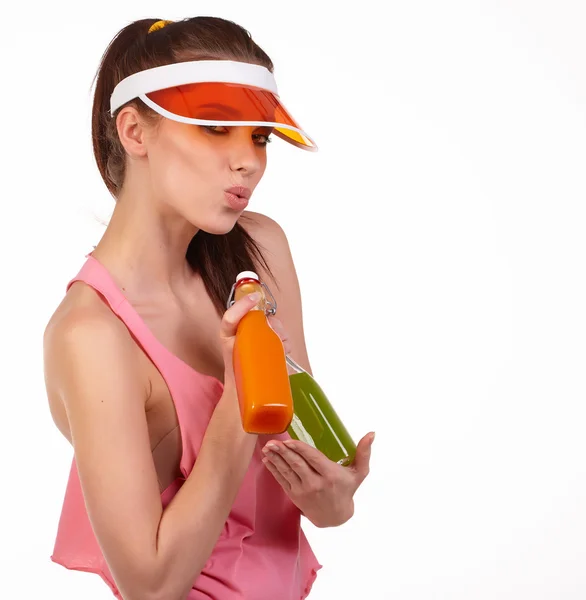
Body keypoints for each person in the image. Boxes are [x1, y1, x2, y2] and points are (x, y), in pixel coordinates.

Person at [43, 16, 375, 600]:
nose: (248, 161)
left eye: (259, 136)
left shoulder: (260, 249)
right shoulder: (90, 335)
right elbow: (152, 586)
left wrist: (332, 496)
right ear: (135, 132)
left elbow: (315, 492)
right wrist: (239, 398)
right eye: (216, 128)